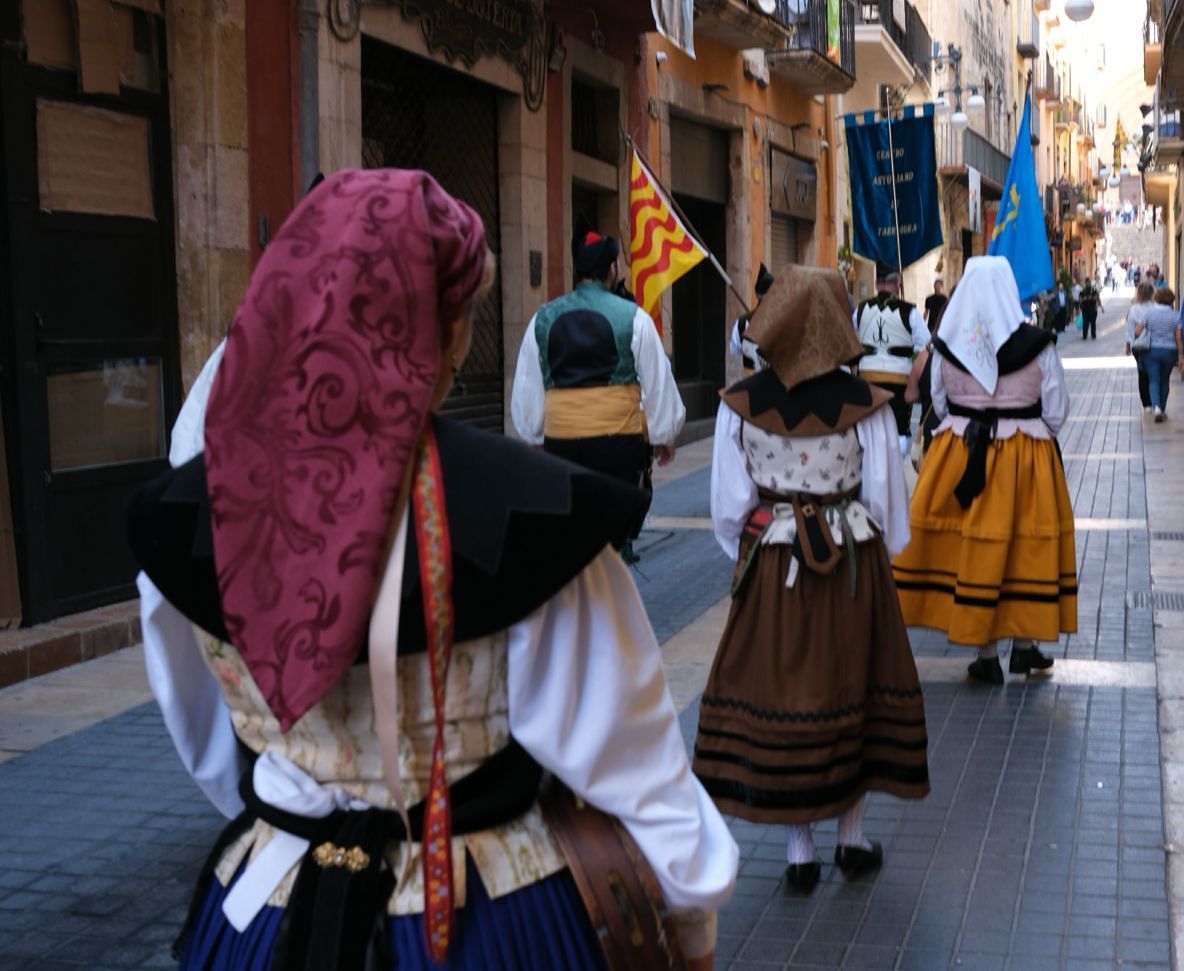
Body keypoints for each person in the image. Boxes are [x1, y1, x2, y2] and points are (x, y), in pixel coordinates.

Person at [128, 169, 737, 971]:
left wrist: (309, 797)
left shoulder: (186, 513)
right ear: (442, 331)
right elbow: (630, 757)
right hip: (484, 921)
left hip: (267, 909)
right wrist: (690, 921)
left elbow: (208, 741)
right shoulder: (528, 519)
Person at [696, 266, 930, 895]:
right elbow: (885, 500)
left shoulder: (738, 406)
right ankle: (850, 839)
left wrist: (759, 553)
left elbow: (729, 507)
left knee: (784, 693)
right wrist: (874, 546)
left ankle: (799, 850)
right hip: (852, 560)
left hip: (776, 566)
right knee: (856, 685)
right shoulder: (867, 407)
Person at [893, 256, 1078, 684]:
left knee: (972, 547)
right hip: (1027, 456)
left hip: (959, 455)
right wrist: (1025, 431)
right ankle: (1026, 647)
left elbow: (936, 403)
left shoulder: (946, 347)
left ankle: (986, 651)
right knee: (1024, 546)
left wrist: (969, 420)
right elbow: (1056, 410)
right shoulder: (1039, 344)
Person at [510, 220, 686, 558]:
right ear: (611, 269)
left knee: (572, 541)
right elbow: (658, 384)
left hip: (562, 449)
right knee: (613, 541)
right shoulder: (633, 317)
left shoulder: (542, 319)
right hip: (618, 451)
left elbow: (528, 390)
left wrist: (535, 436)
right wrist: (664, 436)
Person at [854, 267, 933, 453]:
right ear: (898, 284)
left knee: (868, 425)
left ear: (876, 284)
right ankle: (894, 469)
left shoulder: (860, 309)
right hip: (899, 378)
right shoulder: (910, 312)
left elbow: (850, 337)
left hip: (867, 376)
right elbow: (927, 344)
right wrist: (909, 353)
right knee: (898, 426)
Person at [1135, 285, 1184, 422]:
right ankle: (1162, 409)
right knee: (1164, 380)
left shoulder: (1149, 313)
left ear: (1156, 298)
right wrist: (1181, 356)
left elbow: (1138, 331)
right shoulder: (1176, 315)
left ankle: (1156, 407)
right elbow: (1179, 338)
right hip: (1170, 351)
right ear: (1171, 300)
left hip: (1152, 351)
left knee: (1153, 380)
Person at [729, 264, 775, 377]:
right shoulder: (786, 320)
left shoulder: (741, 323)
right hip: (779, 389)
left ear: (756, 294)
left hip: (751, 388)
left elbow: (734, 351)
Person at [1126, 281, 1155, 412]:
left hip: (1138, 345)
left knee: (1142, 373)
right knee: (1153, 373)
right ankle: (1155, 400)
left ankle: (1146, 404)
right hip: (1153, 343)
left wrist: (1128, 345)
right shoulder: (1155, 306)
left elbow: (1130, 328)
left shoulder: (1133, 309)